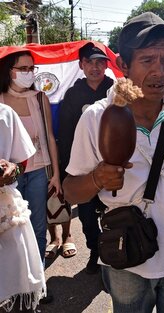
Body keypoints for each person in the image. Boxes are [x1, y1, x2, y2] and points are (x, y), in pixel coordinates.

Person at [62, 12, 164, 313]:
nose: (160, 71)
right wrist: (97, 179)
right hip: (128, 258)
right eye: (148, 60)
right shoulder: (96, 117)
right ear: (124, 65)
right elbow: (71, 191)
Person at [0, 48, 62, 264]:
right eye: (23, 68)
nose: (28, 73)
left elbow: (50, 138)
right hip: (8, 177)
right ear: (9, 71)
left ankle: (38, 283)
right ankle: (17, 283)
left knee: (38, 226)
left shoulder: (39, 98)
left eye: (31, 68)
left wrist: (55, 174)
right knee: (11, 228)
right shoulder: (0, 101)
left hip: (38, 172)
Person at [57, 42, 114, 274]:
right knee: (88, 217)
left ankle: (114, 253)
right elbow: (65, 133)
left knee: (114, 213)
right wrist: (66, 169)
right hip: (83, 168)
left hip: (112, 166)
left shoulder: (116, 90)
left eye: (100, 62)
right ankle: (95, 251)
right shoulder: (73, 94)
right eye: (90, 62)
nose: (95, 67)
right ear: (81, 65)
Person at [0, 103, 46, 313]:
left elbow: (22, 161)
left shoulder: (5, 114)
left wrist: (12, 170)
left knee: (14, 276)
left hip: (5, 210)